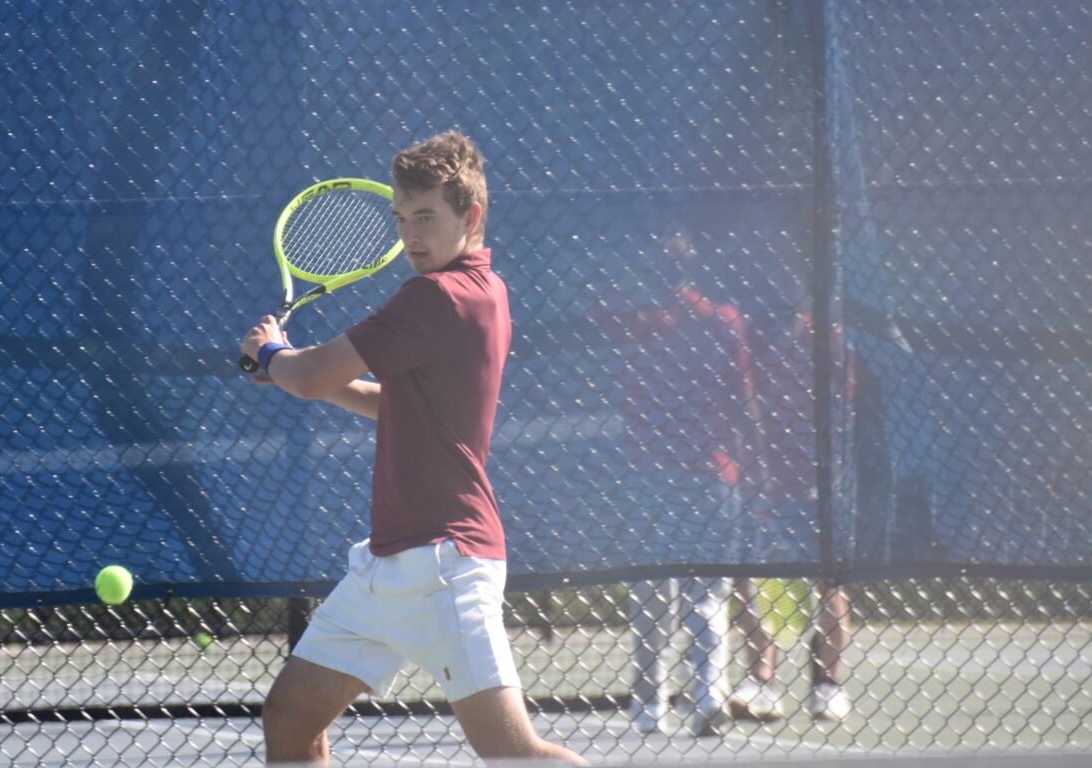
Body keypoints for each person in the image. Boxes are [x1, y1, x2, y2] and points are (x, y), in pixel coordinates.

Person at [240, 131, 587, 766]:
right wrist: (294, 371)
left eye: (426, 217)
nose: (411, 234)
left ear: (470, 216)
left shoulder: (438, 295)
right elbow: (388, 400)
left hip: (445, 565)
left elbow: (313, 373)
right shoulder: (487, 289)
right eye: (402, 219)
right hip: (388, 566)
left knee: (515, 754)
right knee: (290, 719)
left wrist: (271, 353)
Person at [602, 231, 746, 738]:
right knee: (703, 594)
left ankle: (654, 701)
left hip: (662, 475)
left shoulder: (643, 323)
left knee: (654, 595)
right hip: (703, 474)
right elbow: (743, 399)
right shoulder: (720, 321)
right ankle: (705, 694)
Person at [729, 305, 853, 723]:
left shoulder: (828, 338)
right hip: (759, 481)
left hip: (820, 485)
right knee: (752, 580)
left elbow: (850, 405)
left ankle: (827, 686)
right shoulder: (748, 335)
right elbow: (739, 402)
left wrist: (836, 469)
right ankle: (761, 682)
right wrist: (756, 467)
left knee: (827, 580)